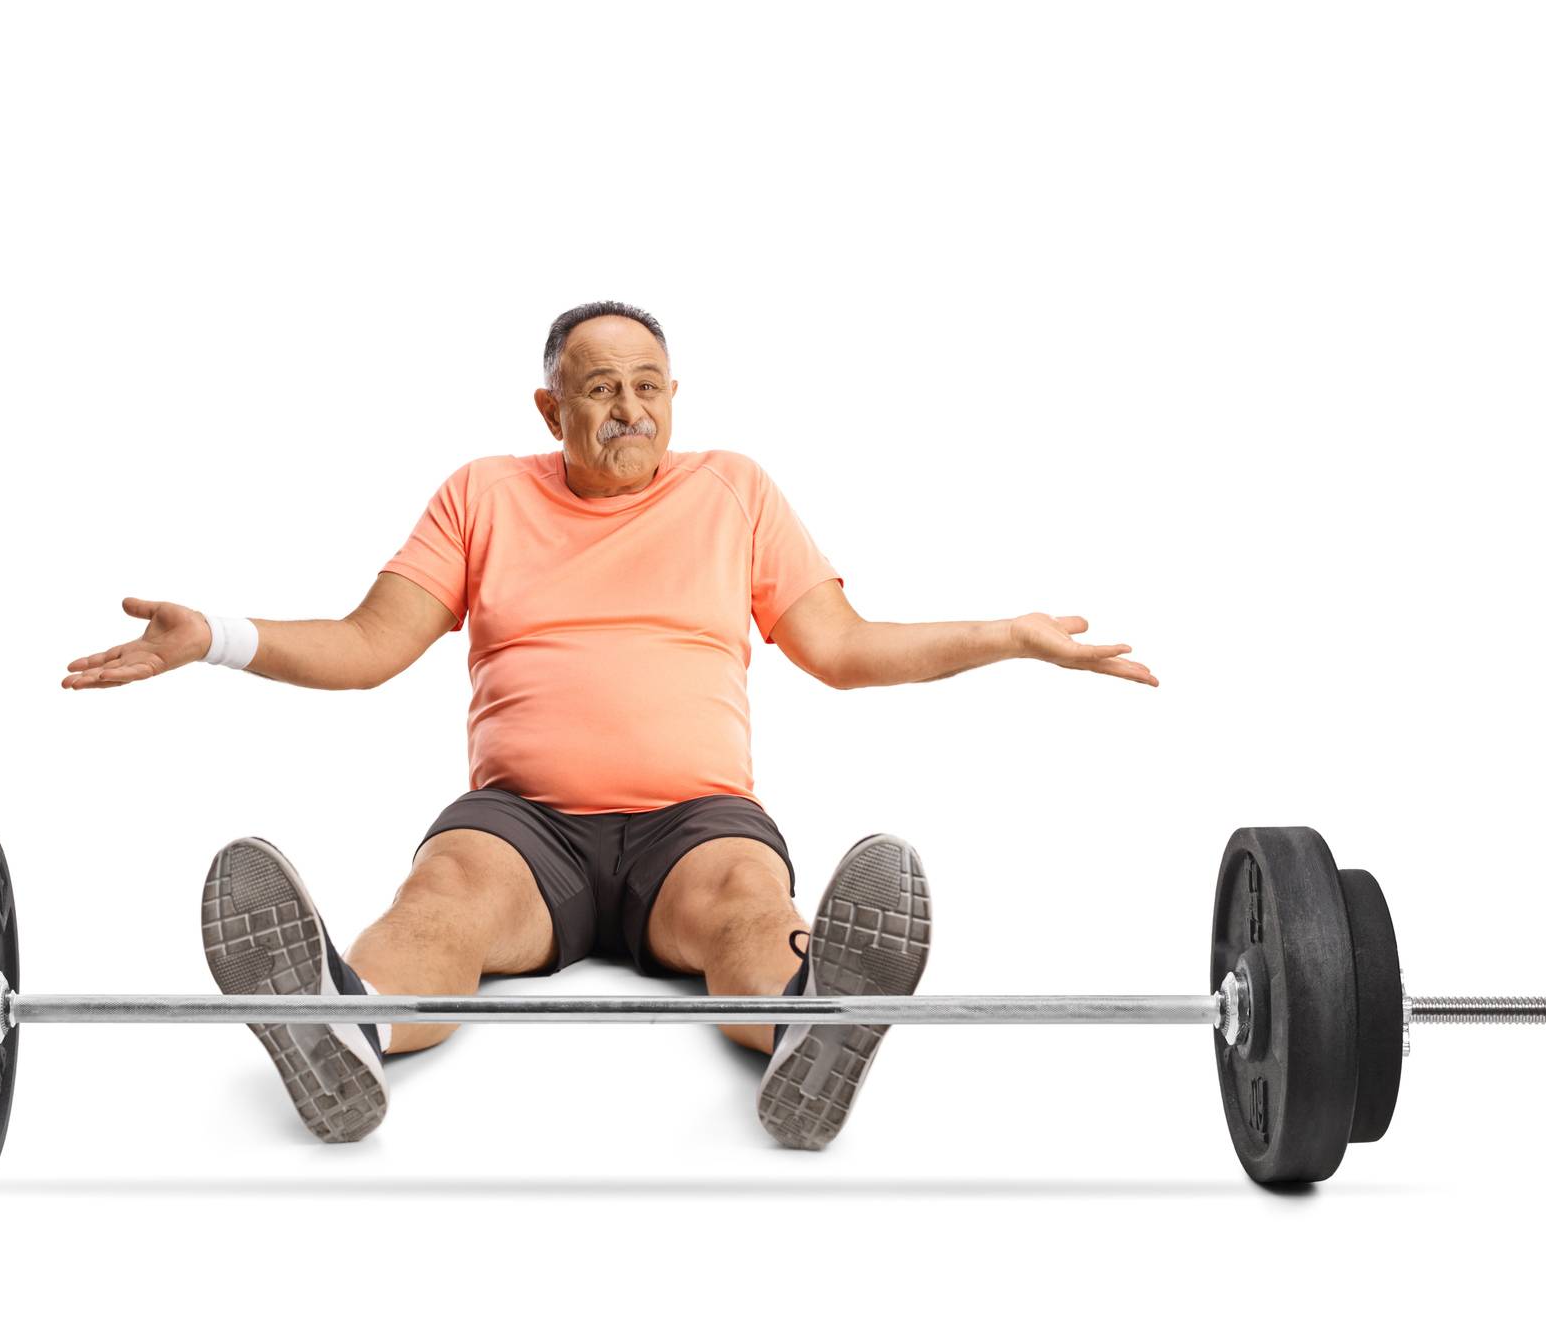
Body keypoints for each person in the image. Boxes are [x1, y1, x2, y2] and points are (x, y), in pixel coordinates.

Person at [60, 300, 1157, 1149]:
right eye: (599, 388)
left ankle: (814, 1025)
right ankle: (344, 1024)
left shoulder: (733, 490)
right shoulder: (483, 494)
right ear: (550, 410)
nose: (630, 408)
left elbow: (843, 647)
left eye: (648, 386)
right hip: (522, 827)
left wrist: (1008, 635)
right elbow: (367, 644)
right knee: (444, 896)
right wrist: (217, 637)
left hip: (696, 822)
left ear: (675, 396)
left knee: (747, 903)